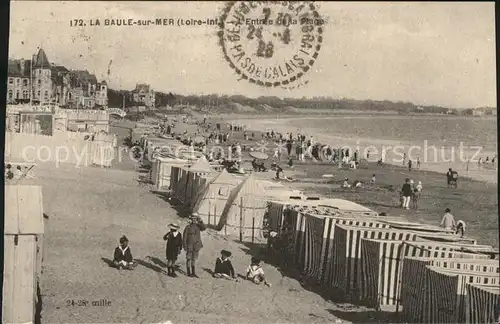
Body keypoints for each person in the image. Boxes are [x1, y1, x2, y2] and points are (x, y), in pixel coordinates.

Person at [183, 213, 207, 278]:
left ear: (197, 219)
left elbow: (204, 228)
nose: (194, 220)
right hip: (189, 244)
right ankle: (188, 272)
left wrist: (201, 221)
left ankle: (193, 272)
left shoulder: (199, 226)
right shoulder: (187, 227)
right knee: (188, 258)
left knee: (194, 259)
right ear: (191, 219)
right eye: (192, 219)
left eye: (195, 219)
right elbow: (184, 237)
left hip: (196, 245)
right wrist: (184, 245)